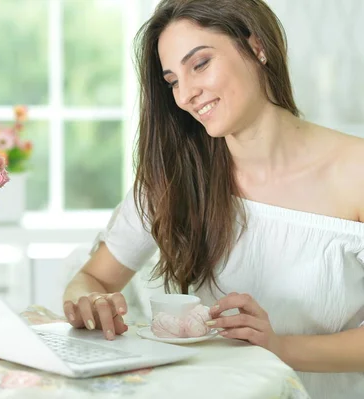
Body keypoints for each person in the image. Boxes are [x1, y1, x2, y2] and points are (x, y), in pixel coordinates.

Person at [61, 0, 364, 398]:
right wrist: (89, 301)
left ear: (257, 47)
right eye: (172, 81)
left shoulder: (355, 171)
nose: (186, 95)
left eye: (200, 64)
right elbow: (92, 279)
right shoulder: (173, 178)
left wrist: (279, 346)